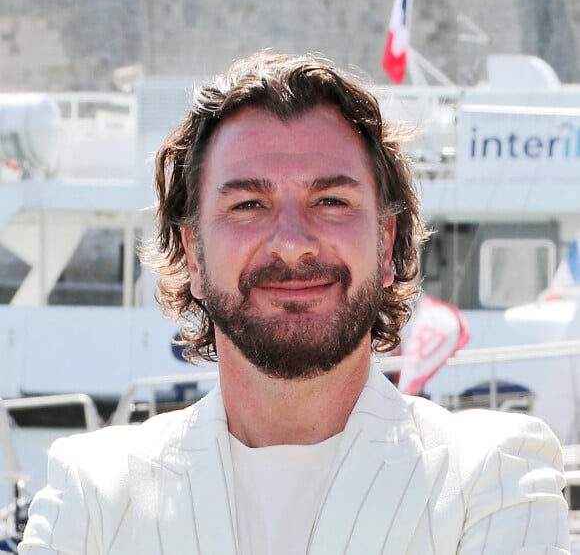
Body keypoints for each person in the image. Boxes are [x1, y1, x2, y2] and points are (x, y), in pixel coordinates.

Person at [20, 52, 569, 554]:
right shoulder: (92, 492)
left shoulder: (495, 477)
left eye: (331, 200)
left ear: (385, 244)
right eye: (248, 204)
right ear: (193, 254)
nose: (291, 241)